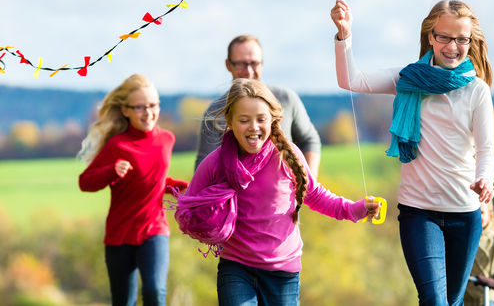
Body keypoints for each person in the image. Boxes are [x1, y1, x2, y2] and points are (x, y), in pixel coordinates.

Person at [330, 0, 494, 305]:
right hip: (419, 212)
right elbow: (350, 80)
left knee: (453, 302)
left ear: (469, 40)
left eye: (461, 39)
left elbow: (487, 149)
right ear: (431, 36)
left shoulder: (477, 91)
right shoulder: (409, 79)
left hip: (464, 212)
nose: (452, 46)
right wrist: (344, 35)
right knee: (434, 301)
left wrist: (485, 179)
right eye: (444, 37)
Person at [176, 78, 381, 305]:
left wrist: (356, 208)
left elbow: (316, 195)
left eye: (260, 119)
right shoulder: (216, 163)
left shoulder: (287, 156)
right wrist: (209, 218)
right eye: (244, 120)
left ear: (272, 120)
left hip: (283, 272)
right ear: (230, 122)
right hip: (236, 267)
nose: (253, 127)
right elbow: (188, 207)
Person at [78, 74, 188, 306]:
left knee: (154, 291)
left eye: (153, 105)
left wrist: (177, 187)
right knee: (123, 301)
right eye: (140, 107)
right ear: (125, 110)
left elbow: (154, 178)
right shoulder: (117, 145)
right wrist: (111, 171)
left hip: (154, 229)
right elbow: (85, 182)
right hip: (121, 234)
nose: (148, 113)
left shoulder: (167, 140)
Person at [195, 34, 321, 178]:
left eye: (254, 63)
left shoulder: (286, 99)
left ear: (262, 63)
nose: (249, 71)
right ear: (228, 65)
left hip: (285, 198)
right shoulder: (215, 112)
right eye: (241, 64)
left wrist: (307, 185)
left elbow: (309, 139)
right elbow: (203, 169)